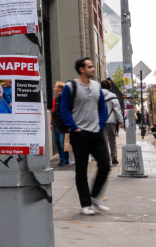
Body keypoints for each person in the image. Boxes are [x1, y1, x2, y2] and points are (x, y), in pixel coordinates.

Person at [60, 57, 111, 216]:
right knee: (81, 171)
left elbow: (102, 107)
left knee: (105, 164)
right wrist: (75, 128)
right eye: (89, 67)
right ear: (81, 69)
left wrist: (101, 125)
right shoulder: (71, 86)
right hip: (79, 134)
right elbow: (64, 109)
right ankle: (86, 204)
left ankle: (94, 197)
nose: (93, 69)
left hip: (96, 133)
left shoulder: (96, 86)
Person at [101, 80, 124, 165]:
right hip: (111, 121)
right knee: (112, 139)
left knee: (104, 140)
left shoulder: (98, 96)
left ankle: (105, 158)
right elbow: (117, 110)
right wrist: (121, 121)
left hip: (101, 121)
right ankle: (113, 157)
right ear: (109, 87)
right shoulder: (113, 96)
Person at [50, 81, 70, 166]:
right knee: (57, 141)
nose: (54, 88)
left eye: (56, 87)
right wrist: (51, 122)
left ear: (60, 88)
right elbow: (53, 111)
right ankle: (62, 158)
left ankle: (65, 159)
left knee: (63, 142)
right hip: (55, 123)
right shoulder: (55, 98)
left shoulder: (65, 97)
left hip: (63, 123)